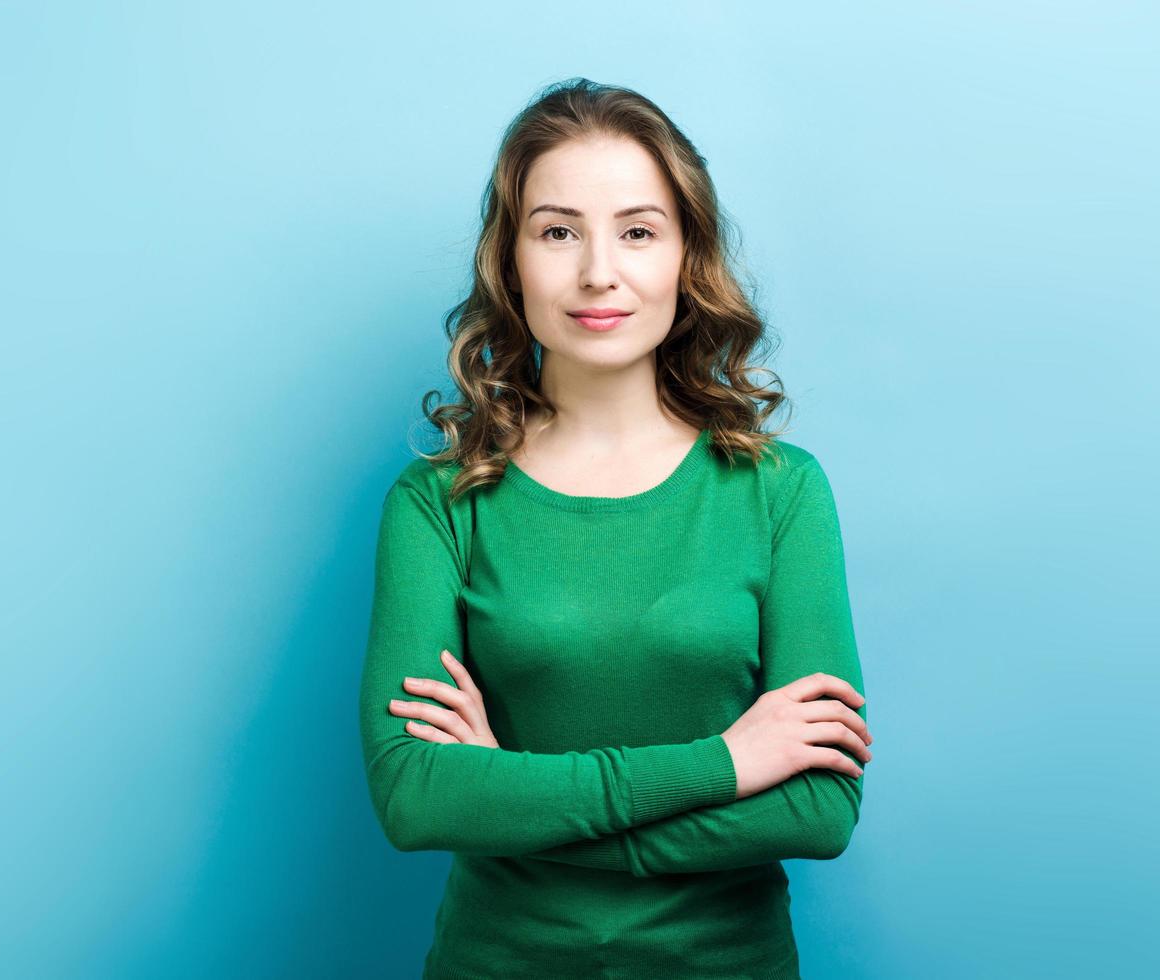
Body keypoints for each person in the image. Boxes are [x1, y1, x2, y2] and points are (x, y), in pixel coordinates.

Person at [359, 77, 874, 979]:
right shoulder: (435, 502)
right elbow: (415, 796)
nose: (598, 271)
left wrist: (515, 801)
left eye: (637, 230)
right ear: (509, 260)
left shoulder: (779, 492)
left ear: (686, 255)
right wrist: (726, 761)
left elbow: (818, 810)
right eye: (558, 231)